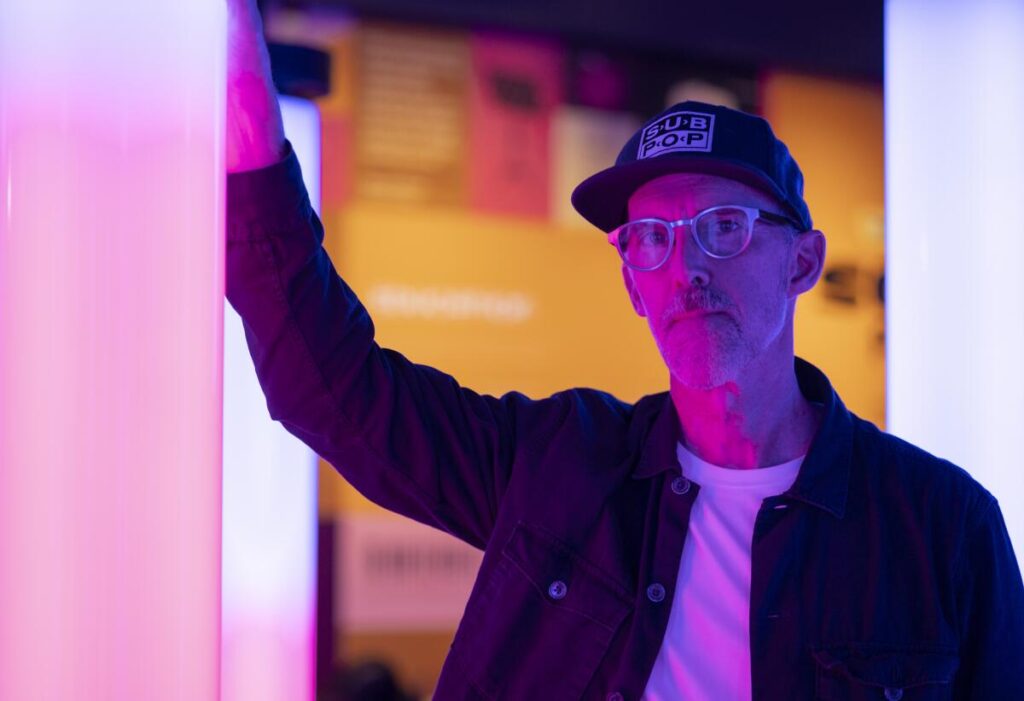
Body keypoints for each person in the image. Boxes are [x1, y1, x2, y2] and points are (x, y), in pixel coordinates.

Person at [225, 1, 1024, 698]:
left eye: (723, 227)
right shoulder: (559, 468)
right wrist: (248, 125)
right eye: (650, 238)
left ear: (803, 262)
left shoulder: (942, 530)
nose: (686, 270)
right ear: (632, 284)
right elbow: (332, 388)